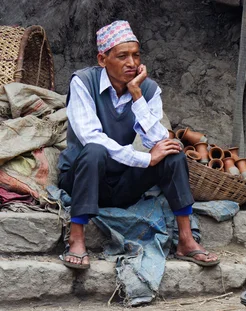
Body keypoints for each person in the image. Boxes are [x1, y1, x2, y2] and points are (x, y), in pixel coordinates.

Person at [57, 20, 219, 269]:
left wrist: (136, 94)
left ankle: (186, 240)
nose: (131, 63)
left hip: (120, 183)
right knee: (94, 151)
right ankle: (77, 239)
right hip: (82, 178)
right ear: (103, 59)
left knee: (172, 152)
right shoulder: (83, 82)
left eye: (136, 55)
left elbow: (157, 140)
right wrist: (145, 159)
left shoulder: (148, 89)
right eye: (122, 56)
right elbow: (91, 136)